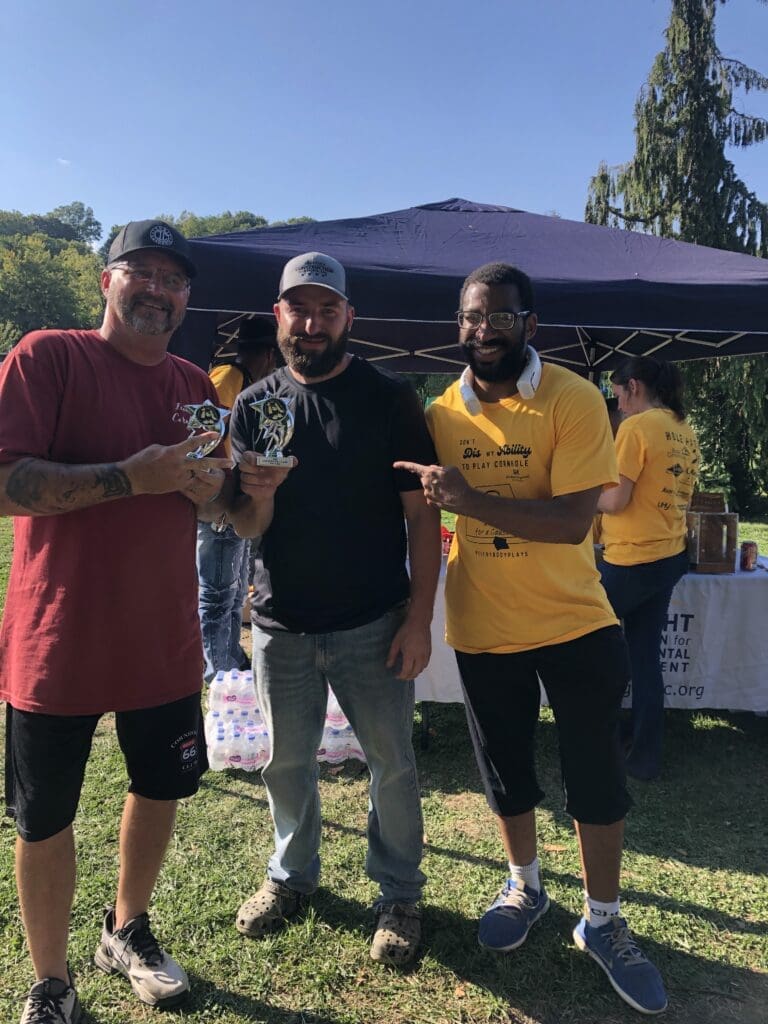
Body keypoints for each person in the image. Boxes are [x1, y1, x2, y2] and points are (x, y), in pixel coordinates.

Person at [396, 263, 668, 1015]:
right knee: (505, 772)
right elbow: (415, 509)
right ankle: (525, 887)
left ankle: (603, 921)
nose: (485, 330)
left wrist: (470, 498)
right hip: (484, 627)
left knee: (596, 777)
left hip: (577, 622)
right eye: (472, 317)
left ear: (530, 324)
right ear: (458, 325)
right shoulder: (440, 411)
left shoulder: (573, 398)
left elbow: (573, 522)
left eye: (501, 316)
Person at [0, 220, 231, 1024]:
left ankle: (125, 928)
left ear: (186, 297)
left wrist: (228, 490)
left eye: (174, 280)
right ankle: (51, 981)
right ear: (107, 280)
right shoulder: (47, 357)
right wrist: (128, 479)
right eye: (142, 272)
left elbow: (216, 500)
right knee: (45, 816)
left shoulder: (196, 385)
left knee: (159, 786)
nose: (158, 291)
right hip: (55, 638)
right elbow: (4, 482)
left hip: (161, 639)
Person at [224, 251, 441, 966]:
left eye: (326, 310)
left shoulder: (389, 398)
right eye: (299, 309)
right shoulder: (255, 405)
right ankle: (291, 876)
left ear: (349, 317)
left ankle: (399, 895)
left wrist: (418, 619)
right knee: (287, 763)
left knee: (392, 765)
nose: (311, 324)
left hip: (373, 622)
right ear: (278, 315)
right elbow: (246, 526)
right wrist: (258, 496)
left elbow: (421, 519)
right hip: (281, 624)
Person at [597, 356, 699, 781]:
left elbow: (615, 500)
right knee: (644, 657)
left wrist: (578, 493)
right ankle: (643, 754)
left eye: (618, 393)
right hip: (669, 555)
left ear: (634, 387)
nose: (618, 403)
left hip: (630, 559)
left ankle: (596, 736)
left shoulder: (636, 427)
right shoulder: (684, 430)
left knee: (586, 644)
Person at [197, 316, 278, 681]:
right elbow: (203, 436)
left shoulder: (244, 382)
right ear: (269, 355)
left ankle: (230, 657)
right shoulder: (228, 378)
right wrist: (217, 493)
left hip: (237, 506)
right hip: (219, 506)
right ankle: (217, 671)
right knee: (216, 594)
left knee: (232, 592)